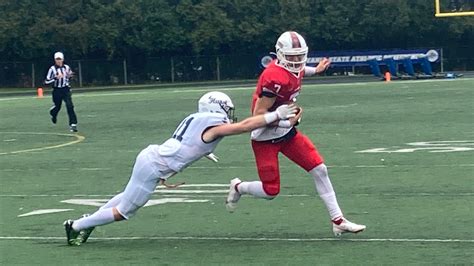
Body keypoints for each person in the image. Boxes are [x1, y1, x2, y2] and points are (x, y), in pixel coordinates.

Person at [63, 91, 298, 245]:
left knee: (127, 197)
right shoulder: (212, 124)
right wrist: (274, 115)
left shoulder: (197, 118)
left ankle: (89, 221)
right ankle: (76, 225)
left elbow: (190, 143)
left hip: (152, 159)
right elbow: (244, 127)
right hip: (154, 165)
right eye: (227, 110)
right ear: (217, 108)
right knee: (125, 211)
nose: (229, 115)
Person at [225, 31, 366, 236]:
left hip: (287, 132)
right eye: (292, 57)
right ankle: (238, 187)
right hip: (265, 137)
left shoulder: (294, 67)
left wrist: (315, 71)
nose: (297, 61)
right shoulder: (273, 77)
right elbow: (258, 116)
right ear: (280, 55)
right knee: (270, 191)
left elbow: (299, 71)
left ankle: (338, 219)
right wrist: (285, 120)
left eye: (300, 56)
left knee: (320, 169)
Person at [44, 52, 78, 132]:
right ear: (55, 60)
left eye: (60, 59)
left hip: (65, 89)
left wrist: (70, 76)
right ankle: (53, 113)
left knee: (70, 106)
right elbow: (46, 81)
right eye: (57, 59)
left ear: (63, 59)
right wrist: (55, 78)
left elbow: (69, 76)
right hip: (57, 90)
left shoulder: (66, 67)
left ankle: (73, 124)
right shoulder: (52, 69)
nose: (59, 61)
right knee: (57, 106)